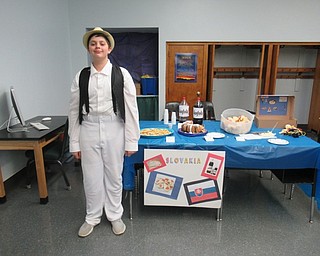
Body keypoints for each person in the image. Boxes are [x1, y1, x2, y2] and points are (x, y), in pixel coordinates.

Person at [68, 27, 140, 237]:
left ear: (108, 48)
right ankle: (92, 217)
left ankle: (115, 215)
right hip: (88, 128)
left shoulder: (121, 74)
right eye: (93, 44)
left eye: (101, 43)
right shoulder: (81, 76)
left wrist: (131, 141)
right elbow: (73, 110)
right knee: (90, 177)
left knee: (113, 175)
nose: (97, 46)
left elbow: (131, 109)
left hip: (114, 127)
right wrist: (74, 143)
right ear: (89, 49)